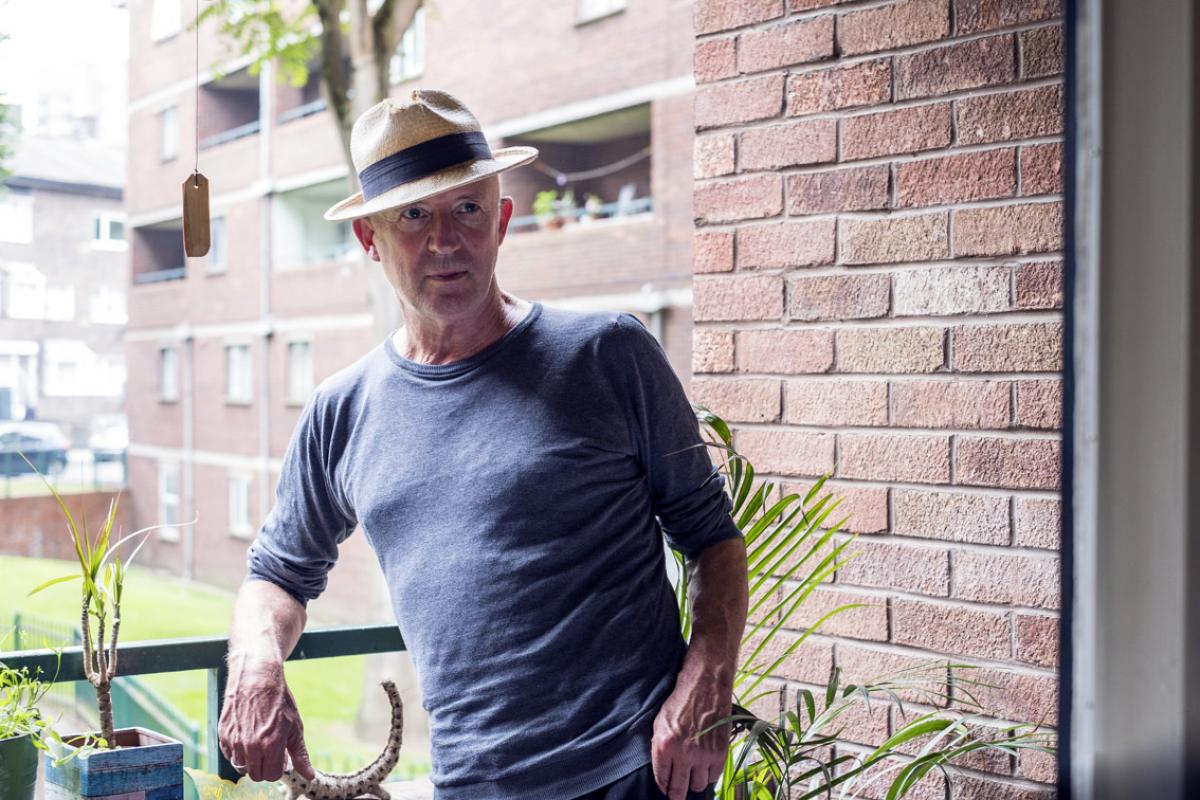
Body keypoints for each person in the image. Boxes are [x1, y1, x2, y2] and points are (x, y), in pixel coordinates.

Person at [217, 89, 749, 800]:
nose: (445, 240)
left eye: (467, 209)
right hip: (473, 785)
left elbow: (712, 537)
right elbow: (277, 575)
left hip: (635, 774)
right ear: (369, 239)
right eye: (413, 216)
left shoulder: (607, 355)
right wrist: (255, 663)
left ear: (501, 221)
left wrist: (707, 684)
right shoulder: (341, 411)